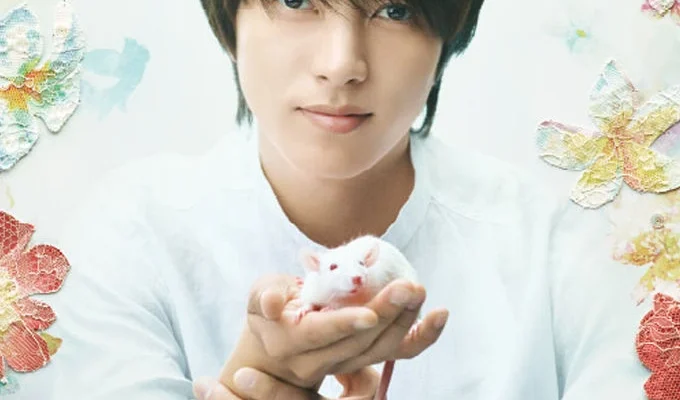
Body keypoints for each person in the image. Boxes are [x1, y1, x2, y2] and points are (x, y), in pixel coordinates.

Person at [46, 0, 651, 399]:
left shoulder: (561, 246)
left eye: (395, 8)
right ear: (229, 21)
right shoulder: (130, 236)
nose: (342, 66)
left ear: (447, 33)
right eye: (295, 0)